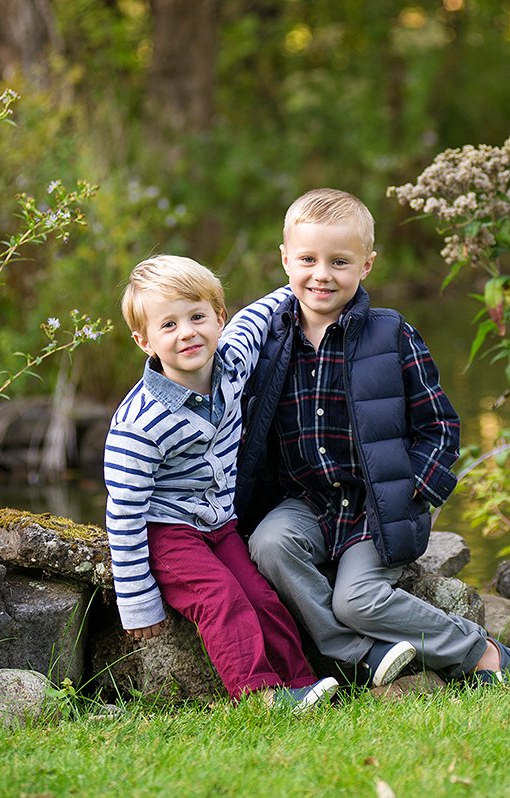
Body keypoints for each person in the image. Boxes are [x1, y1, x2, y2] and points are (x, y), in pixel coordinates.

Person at [236, 188, 510, 688]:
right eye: (307, 259)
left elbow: (440, 425)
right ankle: (362, 656)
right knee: (270, 543)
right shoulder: (269, 341)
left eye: (339, 262)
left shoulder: (390, 335)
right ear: (285, 260)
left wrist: (414, 489)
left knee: (357, 598)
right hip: (307, 502)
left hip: (376, 507)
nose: (321, 274)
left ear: (366, 266)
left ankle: (479, 651)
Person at [103, 255, 338, 712]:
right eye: (168, 325)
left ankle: (301, 684)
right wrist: (138, 603)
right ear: (144, 341)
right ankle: (258, 696)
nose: (187, 332)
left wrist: (302, 283)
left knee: (260, 596)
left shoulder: (232, 359)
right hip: (165, 532)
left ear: (219, 318)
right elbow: (124, 513)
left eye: (197, 316)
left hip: (218, 523)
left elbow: (260, 314)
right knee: (222, 597)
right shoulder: (140, 423)